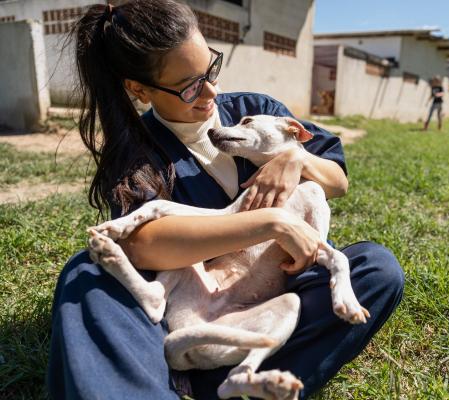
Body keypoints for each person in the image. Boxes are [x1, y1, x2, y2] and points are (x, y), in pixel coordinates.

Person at [46, 1, 405, 399]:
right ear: (139, 89)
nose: (211, 92)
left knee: (376, 269)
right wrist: (272, 223)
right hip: (190, 307)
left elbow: (337, 179)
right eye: (189, 86)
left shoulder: (255, 110)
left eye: (210, 71)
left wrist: (295, 157)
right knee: (88, 274)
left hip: (273, 295)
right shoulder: (137, 150)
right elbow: (144, 244)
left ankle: (227, 388)